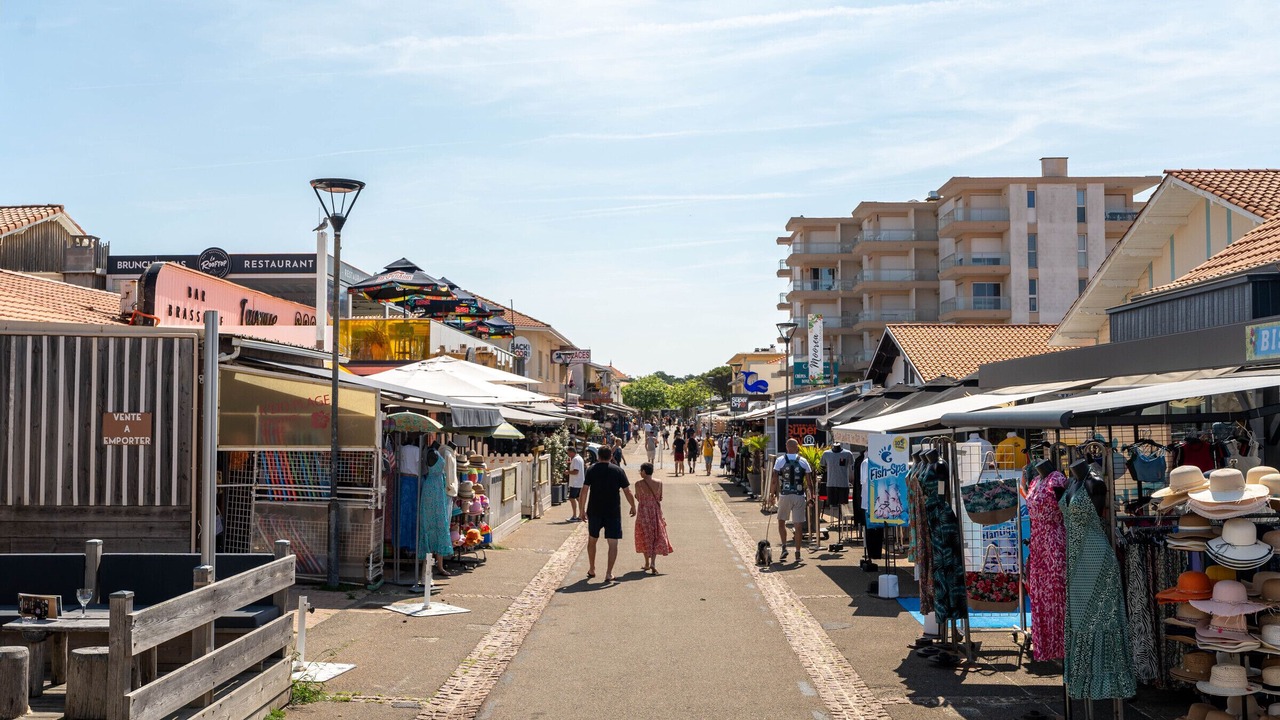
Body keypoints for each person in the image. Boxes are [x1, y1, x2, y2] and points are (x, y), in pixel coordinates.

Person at [578, 446, 636, 582]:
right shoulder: (618, 471)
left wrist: (581, 509)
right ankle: (609, 573)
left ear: (598, 456)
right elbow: (627, 491)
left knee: (592, 540)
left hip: (595, 510)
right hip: (613, 511)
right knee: (613, 543)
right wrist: (633, 506)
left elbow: (584, 491)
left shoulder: (591, 470)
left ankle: (592, 568)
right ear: (611, 456)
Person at [770, 438, 813, 563]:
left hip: (784, 495)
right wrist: (811, 497)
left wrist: (772, 495)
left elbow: (774, 479)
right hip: (799, 495)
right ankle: (798, 553)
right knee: (798, 525)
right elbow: (809, 483)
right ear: (797, 447)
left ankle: (784, 547)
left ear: (786, 447)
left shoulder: (780, 460)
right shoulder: (804, 461)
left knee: (781, 521)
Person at [418, 442, 454, 577]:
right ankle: (427, 568)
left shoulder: (433, 452)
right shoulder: (431, 453)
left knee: (439, 525)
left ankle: (438, 565)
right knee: (429, 525)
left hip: (438, 488)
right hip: (433, 489)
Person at [634, 462, 673, 574]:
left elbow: (638, 497)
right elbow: (660, 497)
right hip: (655, 512)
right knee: (656, 535)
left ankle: (646, 562)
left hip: (643, 512)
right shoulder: (659, 483)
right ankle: (653, 563)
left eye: (640, 471)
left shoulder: (638, 484)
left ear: (644, 472)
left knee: (644, 535)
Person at [566, 446, 586, 521]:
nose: (568, 454)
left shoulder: (575, 459)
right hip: (579, 482)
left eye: (568, 453)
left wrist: (568, 472)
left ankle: (575, 515)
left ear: (571, 452)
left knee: (571, 498)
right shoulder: (579, 458)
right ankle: (581, 514)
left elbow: (576, 471)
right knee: (578, 498)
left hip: (575, 482)